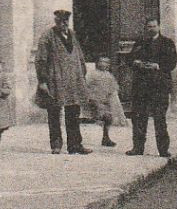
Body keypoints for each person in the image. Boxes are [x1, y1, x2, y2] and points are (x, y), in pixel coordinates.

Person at [34, 10, 90, 154]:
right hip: (55, 79)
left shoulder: (72, 34)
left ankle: (75, 145)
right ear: (56, 21)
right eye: (60, 21)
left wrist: (82, 73)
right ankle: (56, 144)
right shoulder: (47, 36)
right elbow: (40, 59)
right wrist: (42, 80)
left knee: (73, 111)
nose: (63, 24)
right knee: (54, 111)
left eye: (66, 21)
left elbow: (79, 55)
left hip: (73, 81)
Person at [126, 16, 177, 158]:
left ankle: (163, 150)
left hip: (159, 86)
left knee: (160, 119)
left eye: (154, 26)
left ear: (159, 27)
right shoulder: (140, 42)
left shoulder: (167, 43)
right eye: (149, 27)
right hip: (141, 86)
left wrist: (157, 66)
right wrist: (136, 62)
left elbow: (172, 63)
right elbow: (129, 59)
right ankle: (137, 148)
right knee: (139, 118)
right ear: (146, 28)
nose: (151, 29)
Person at [84, 56, 126, 147]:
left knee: (109, 118)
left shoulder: (109, 75)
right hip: (95, 100)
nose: (104, 64)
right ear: (97, 63)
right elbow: (86, 86)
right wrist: (90, 98)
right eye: (102, 62)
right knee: (103, 117)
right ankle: (104, 137)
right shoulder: (92, 74)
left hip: (106, 100)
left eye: (107, 62)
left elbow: (113, 88)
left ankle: (106, 137)